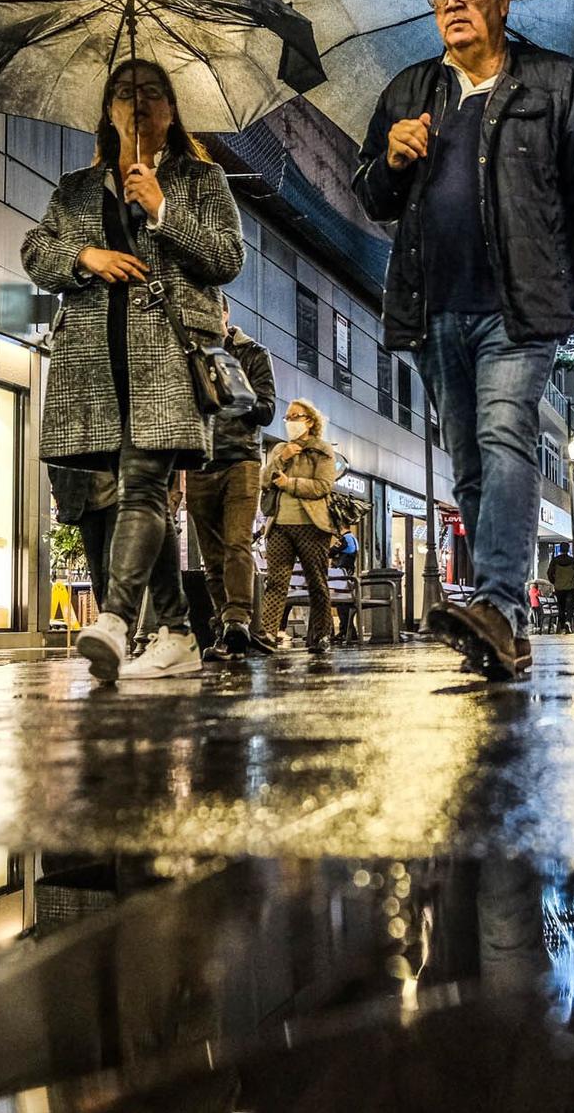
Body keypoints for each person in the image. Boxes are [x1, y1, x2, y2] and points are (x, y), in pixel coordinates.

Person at [355, 0, 574, 681]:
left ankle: (501, 602)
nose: (454, 6)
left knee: (507, 437)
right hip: (435, 307)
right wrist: (391, 160)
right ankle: (505, 630)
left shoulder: (554, 84)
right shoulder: (410, 93)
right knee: (470, 465)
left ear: (503, 1)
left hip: (521, 305)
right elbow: (370, 196)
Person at [23, 58, 244, 683]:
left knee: (143, 482)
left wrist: (165, 209)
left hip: (169, 355)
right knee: (129, 491)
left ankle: (116, 619)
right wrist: (86, 255)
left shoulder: (201, 178)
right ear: (109, 112)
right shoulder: (76, 188)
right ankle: (176, 632)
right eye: (124, 94)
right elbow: (36, 252)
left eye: (151, 94)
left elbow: (228, 257)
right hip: (94, 364)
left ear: (171, 111)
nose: (137, 104)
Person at [175, 292, 277, 661]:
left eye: (211, 314)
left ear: (225, 314)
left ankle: (238, 620)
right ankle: (226, 627)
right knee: (212, 556)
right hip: (200, 461)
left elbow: (266, 411)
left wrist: (233, 393)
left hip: (242, 460)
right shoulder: (187, 354)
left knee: (237, 543)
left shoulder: (252, 353)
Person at [258, 399, 339, 654]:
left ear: (310, 420)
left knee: (317, 581)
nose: (291, 422)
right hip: (279, 524)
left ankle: (320, 634)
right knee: (276, 581)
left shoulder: (322, 450)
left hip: (311, 525)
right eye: (288, 418)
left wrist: (289, 483)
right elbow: (263, 480)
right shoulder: (281, 449)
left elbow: (323, 486)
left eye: (296, 416)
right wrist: (281, 459)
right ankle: (267, 634)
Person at [48, 464, 117, 610]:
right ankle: (108, 620)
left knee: (111, 569)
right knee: (97, 573)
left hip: (119, 500)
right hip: (86, 503)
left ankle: (114, 624)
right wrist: (60, 491)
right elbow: (54, 459)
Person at [545, 544, 574, 632]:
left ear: (560, 549)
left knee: (561, 607)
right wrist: (573, 581)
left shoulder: (555, 561)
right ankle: (568, 622)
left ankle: (562, 626)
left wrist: (554, 581)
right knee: (570, 607)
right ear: (568, 549)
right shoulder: (573, 561)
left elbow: (549, 573)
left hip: (559, 587)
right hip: (571, 587)